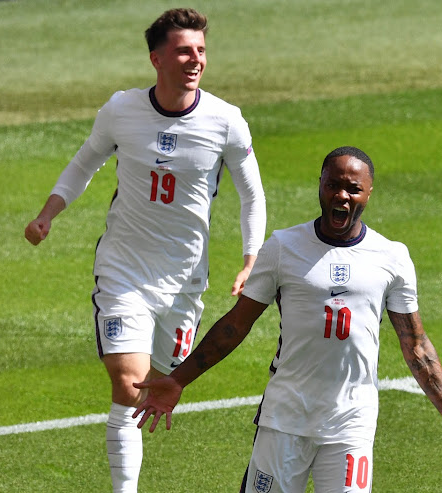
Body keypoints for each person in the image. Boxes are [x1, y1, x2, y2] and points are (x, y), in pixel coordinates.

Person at [132, 146, 442, 492]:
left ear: (368, 194)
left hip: (351, 422)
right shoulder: (282, 247)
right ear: (320, 186)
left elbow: (415, 345)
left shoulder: (392, 257)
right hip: (284, 418)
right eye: (333, 185)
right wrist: (179, 379)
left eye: (353, 189)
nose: (342, 195)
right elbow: (235, 324)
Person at [24, 8, 266, 493]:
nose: (195, 59)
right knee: (128, 385)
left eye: (200, 50)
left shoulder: (226, 122)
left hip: (184, 281)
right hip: (124, 271)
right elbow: (84, 163)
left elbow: (252, 194)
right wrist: (49, 212)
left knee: (158, 386)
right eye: (183, 50)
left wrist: (249, 260)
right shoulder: (121, 109)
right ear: (157, 58)